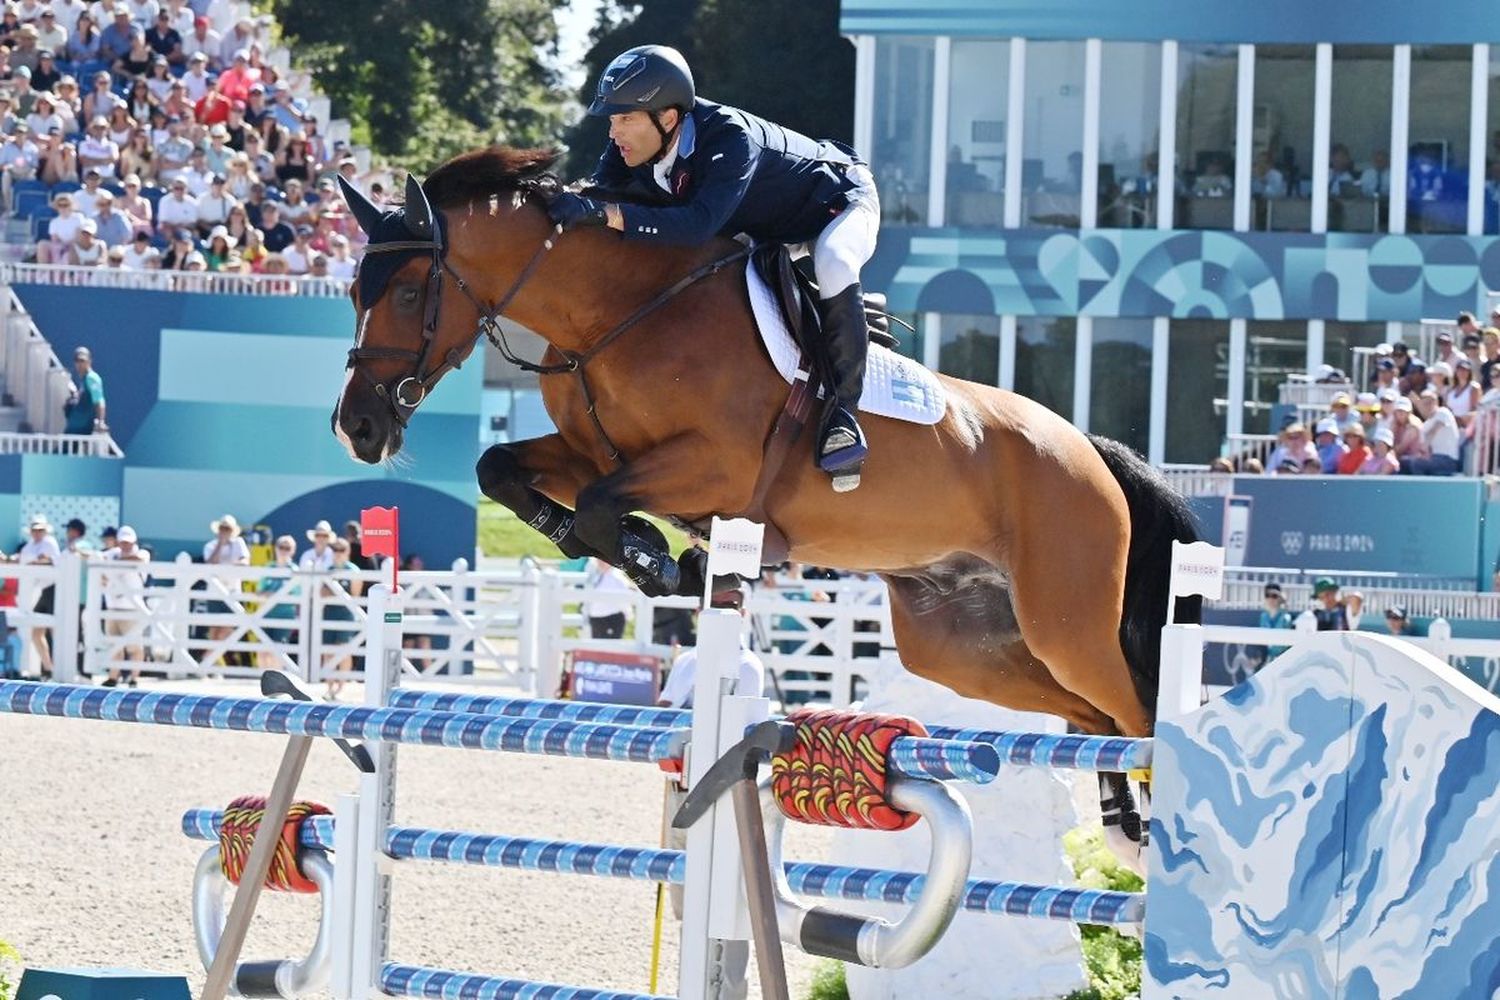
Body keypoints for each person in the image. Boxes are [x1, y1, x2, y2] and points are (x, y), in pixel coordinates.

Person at [552, 44, 879, 491]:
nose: (614, 132)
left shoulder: (730, 137)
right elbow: (599, 195)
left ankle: (844, 415)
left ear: (667, 118)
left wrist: (608, 215)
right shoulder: (629, 148)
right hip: (765, 230)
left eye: (625, 118)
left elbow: (695, 226)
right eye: (612, 119)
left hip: (837, 205)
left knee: (835, 262)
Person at [98, 524, 149, 687]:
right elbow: (97, 559)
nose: (126, 546)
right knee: (114, 645)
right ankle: (113, 677)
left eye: (129, 542)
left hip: (132, 608)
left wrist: (114, 564)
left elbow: (139, 560)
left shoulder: (141, 553)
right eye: (123, 542)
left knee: (134, 647)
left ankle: (134, 677)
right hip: (113, 607)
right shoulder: (112, 555)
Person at [18, 514, 60, 678]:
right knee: (37, 632)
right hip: (39, 591)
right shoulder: (29, 546)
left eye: (40, 530)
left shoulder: (49, 543)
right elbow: (26, 560)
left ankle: (54, 667)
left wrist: (33, 561)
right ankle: (49, 667)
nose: (37, 532)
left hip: (52, 589)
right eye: (35, 530)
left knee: (55, 630)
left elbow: (47, 560)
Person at [255, 534, 300, 669]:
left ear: (292, 551)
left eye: (287, 548)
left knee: (278, 650)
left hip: (285, 615)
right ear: (276, 548)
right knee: (262, 650)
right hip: (266, 614)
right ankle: (263, 679)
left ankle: (276, 680)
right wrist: (271, 594)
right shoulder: (269, 568)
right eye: (281, 547)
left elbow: (298, 594)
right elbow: (259, 591)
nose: (284, 550)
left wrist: (272, 594)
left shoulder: (295, 570)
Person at [1403, 389, 1461, 476]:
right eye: (1425, 403)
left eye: (1431, 402)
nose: (1428, 405)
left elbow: (1433, 431)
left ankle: (1422, 488)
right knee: (1404, 462)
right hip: (1434, 458)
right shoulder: (1426, 423)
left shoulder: (1443, 412)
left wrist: (1424, 448)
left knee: (1417, 464)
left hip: (1448, 460)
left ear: (1436, 402)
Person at [582, 555, 632, 639]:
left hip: (613, 617)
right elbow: (587, 598)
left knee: (612, 646)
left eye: (604, 560)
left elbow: (624, 599)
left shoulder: (617, 578)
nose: (601, 562)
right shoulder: (593, 576)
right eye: (599, 560)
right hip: (595, 617)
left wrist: (628, 613)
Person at [63, 345, 106, 435]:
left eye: (82, 361)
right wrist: (74, 393)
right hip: (75, 428)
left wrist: (100, 422)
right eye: (77, 361)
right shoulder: (83, 379)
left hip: (82, 428)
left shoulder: (91, 378)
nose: (80, 364)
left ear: (89, 361)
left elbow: (99, 400)